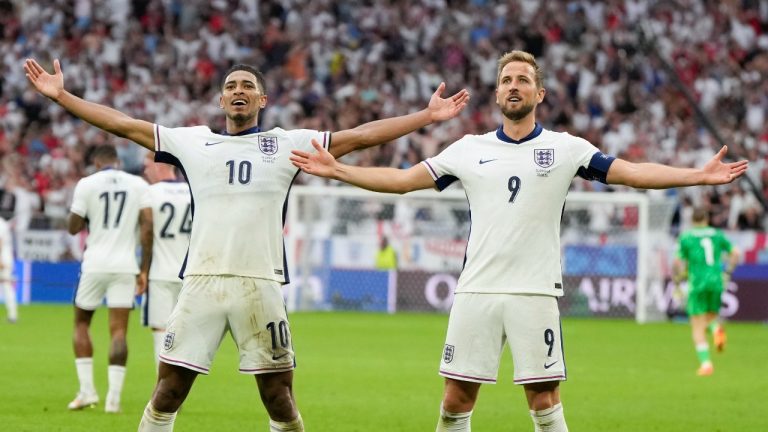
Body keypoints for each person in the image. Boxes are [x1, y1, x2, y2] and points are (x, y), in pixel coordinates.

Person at [289, 50, 748, 432]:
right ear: (496, 93)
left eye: (523, 80)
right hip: (477, 291)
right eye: (506, 79)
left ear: (539, 94)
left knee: (544, 400)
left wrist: (696, 176)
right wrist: (339, 169)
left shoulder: (569, 148)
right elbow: (404, 181)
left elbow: (631, 174)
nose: (514, 85)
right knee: (454, 399)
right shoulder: (468, 149)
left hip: (535, 291)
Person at [24, 58, 469, 431]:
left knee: (278, 396)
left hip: (260, 285)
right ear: (221, 100)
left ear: (262, 100)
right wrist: (62, 96)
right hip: (201, 282)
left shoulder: (287, 144)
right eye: (231, 86)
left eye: (248, 86)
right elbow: (122, 124)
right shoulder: (193, 141)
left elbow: (360, 135)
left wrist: (426, 118)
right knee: (168, 389)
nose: (238, 91)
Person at [66, 144, 152, 413]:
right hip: (126, 265)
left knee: (81, 323)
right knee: (119, 331)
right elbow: (148, 228)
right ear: (117, 162)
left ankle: (87, 391)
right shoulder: (138, 184)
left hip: (94, 264)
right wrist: (144, 268)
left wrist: (89, 214)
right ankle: (113, 400)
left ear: (96, 163)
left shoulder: (87, 184)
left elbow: (73, 227)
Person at [673, 206, 739, 376]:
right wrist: (728, 272)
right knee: (710, 317)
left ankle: (706, 364)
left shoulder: (686, 237)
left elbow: (677, 263)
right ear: (706, 219)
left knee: (697, 326)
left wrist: (677, 279)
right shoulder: (717, 235)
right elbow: (735, 253)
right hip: (716, 281)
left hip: (698, 284)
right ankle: (717, 329)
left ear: (692, 221)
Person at [141, 153, 191, 372]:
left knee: (160, 331)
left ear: (158, 165)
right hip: (189, 275)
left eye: (146, 165)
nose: (145, 171)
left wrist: (141, 270)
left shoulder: (149, 194)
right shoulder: (193, 192)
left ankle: (162, 392)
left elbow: (144, 233)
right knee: (185, 335)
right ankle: (178, 394)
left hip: (159, 273)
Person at [0, 215, 17, 323]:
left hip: (3, 258)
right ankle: (12, 315)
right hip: (6, 257)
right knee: (7, 286)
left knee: (6, 285)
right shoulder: (3, 223)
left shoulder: (0, 223)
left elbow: (0, 242)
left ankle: (12, 315)